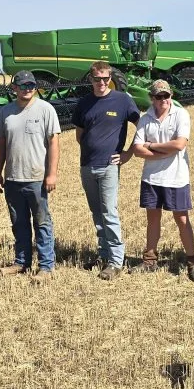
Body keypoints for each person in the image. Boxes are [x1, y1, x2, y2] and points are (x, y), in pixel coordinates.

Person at [130, 80, 194, 282]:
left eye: (167, 96)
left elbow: (180, 144)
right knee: (153, 219)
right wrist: (162, 153)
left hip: (176, 177)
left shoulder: (181, 114)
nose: (164, 100)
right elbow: (137, 149)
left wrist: (151, 146)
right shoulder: (146, 118)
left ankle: (192, 261)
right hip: (151, 177)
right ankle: (149, 259)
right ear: (152, 99)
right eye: (159, 96)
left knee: (181, 219)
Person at [73, 61, 140, 279]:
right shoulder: (84, 103)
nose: (101, 83)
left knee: (109, 212)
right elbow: (79, 134)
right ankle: (103, 253)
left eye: (105, 79)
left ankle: (116, 261)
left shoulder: (123, 101)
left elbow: (142, 127)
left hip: (110, 166)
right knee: (97, 213)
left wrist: (129, 153)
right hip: (87, 165)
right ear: (90, 79)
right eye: (97, 79)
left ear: (110, 78)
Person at [0, 70, 60, 284]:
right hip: (13, 178)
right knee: (18, 223)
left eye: (31, 85)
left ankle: (46, 265)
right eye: (23, 85)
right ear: (14, 88)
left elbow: (54, 144)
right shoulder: (6, 112)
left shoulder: (45, 109)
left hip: (37, 178)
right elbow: (1, 146)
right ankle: (21, 262)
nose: (28, 89)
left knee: (42, 223)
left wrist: (51, 175)